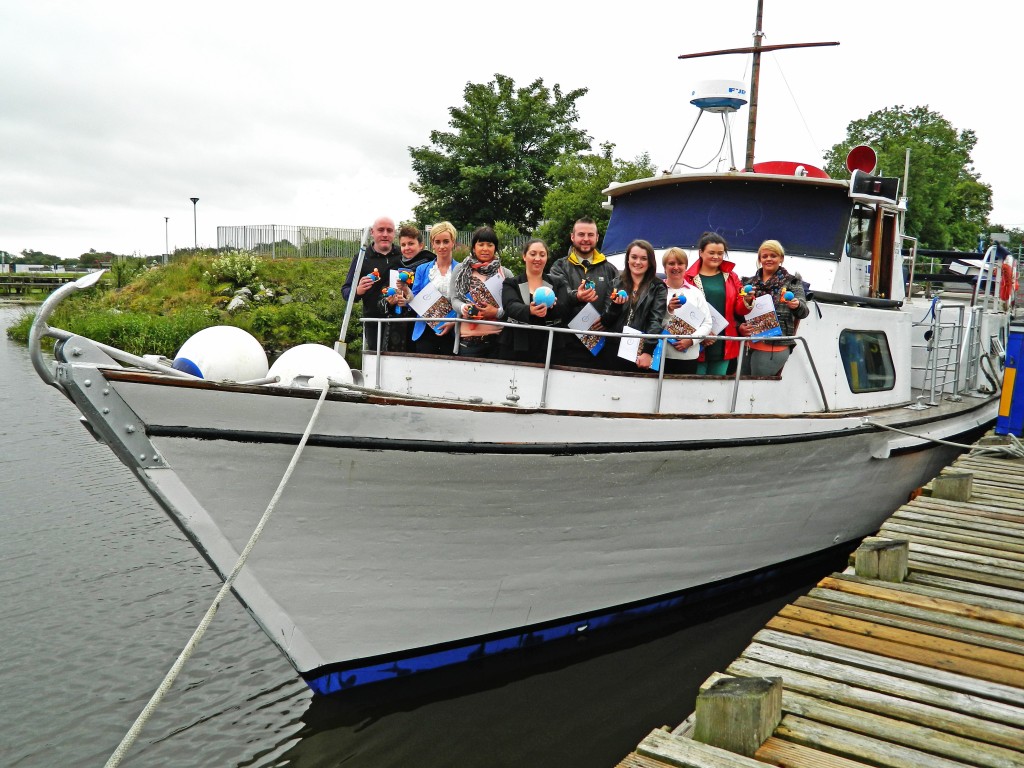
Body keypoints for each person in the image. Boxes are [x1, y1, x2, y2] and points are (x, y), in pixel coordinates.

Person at [548, 217, 619, 368]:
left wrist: (605, 320)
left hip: (601, 344)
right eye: (581, 234)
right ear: (572, 236)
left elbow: (613, 301)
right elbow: (559, 297)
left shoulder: (610, 269)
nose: (586, 239)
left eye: (590, 235)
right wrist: (576, 296)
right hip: (567, 343)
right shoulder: (558, 266)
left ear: (597, 237)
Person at [738, 239, 809, 376]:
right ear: (760, 259)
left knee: (756, 391)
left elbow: (804, 312)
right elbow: (737, 313)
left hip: (775, 345)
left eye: (773, 256)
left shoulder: (792, 282)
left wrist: (796, 305)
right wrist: (739, 327)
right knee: (741, 390)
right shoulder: (747, 283)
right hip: (746, 344)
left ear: (781, 258)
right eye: (764, 256)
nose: (768, 259)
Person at [683, 232, 749, 376]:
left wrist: (748, 301)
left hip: (723, 343)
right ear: (701, 252)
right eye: (711, 252)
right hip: (696, 341)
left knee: (717, 390)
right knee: (694, 389)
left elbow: (739, 309)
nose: (716, 257)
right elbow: (682, 311)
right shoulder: (687, 277)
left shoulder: (732, 277)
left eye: (720, 253)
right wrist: (701, 334)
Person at [499, 239, 570, 364]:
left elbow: (564, 308)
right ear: (524, 256)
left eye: (542, 255)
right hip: (516, 346)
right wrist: (529, 310)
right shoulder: (511, 283)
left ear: (547, 258)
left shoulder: (558, 283)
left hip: (550, 348)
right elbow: (510, 306)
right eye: (533, 254)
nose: (538, 258)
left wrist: (552, 307)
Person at [601, 239, 667, 371]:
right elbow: (605, 321)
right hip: (612, 348)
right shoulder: (615, 284)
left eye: (643, 258)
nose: (638, 262)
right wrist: (616, 306)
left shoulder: (658, 287)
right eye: (634, 257)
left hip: (640, 353)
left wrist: (647, 351)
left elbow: (656, 321)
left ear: (650, 262)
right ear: (627, 259)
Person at [451, 226, 515, 358]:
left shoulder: (505, 273)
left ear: (495, 248)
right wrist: (464, 308)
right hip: (469, 343)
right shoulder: (461, 270)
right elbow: (454, 299)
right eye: (481, 244)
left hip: (499, 341)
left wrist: (496, 312)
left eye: (490, 245)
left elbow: (513, 306)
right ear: (474, 247)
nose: (485, 248)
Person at [341, 216, 401, 352]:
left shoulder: (403, 254)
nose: (385, 234)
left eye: (389, 230)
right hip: (374, 323)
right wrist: (358, 290)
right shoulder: (362, 257)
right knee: (376, 363)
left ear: (394, 233)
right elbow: (346, 291)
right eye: (381, 230)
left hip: (401, 321)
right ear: (372, 233)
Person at [407, 221, 460, 355]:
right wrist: (404, 292)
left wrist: (454, 323)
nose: (442, 246)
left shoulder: (462, 270)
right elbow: (414, 299)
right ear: (432, 244)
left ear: (453, 242)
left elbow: (467, 301)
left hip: (453, 332)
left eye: (446, 241)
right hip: (425, 332)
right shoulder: (421, 269)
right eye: (438, 242)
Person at [383, 224, 435, 352]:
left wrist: (408, 302)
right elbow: (383, 295)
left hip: (421, 327)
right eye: (403, 244)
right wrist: (389, 301)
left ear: (421, 245)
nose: (407, 248)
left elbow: (431, 298)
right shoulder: (394, 266)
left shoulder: (430, 267)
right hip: (396, 328)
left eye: (411, 243)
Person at [660, 247, 712, 375]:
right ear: (664, 267)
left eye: (680, 263)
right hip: (661, 354)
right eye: (671, 263)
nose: (676, 267)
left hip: (688, 356)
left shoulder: (696, 293)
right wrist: (669, 310)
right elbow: (650, 321)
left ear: (686, 267)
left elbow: (707, 323)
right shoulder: (657, 290)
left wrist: (691, 340)